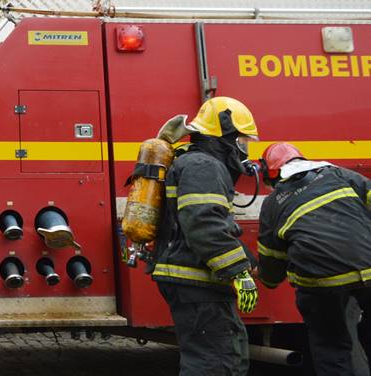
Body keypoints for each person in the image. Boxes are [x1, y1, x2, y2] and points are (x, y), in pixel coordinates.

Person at [149, 96, 260, 376]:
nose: (245, 148)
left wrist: (246, 261)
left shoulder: (199, 162)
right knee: (214, 362)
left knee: (225, 355)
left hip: (194, 278)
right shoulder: (204, 166)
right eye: (243, 140)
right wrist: (238, 272)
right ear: (227, 135)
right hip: (195, 279)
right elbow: (204, 222)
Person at [257, 142, 371, 376]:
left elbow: (272, 263)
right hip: (368, 266)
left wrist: (265, 278)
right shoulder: (342, 175)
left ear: (272, 173)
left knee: (331, 346)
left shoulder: (272, 204)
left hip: (321, 284)